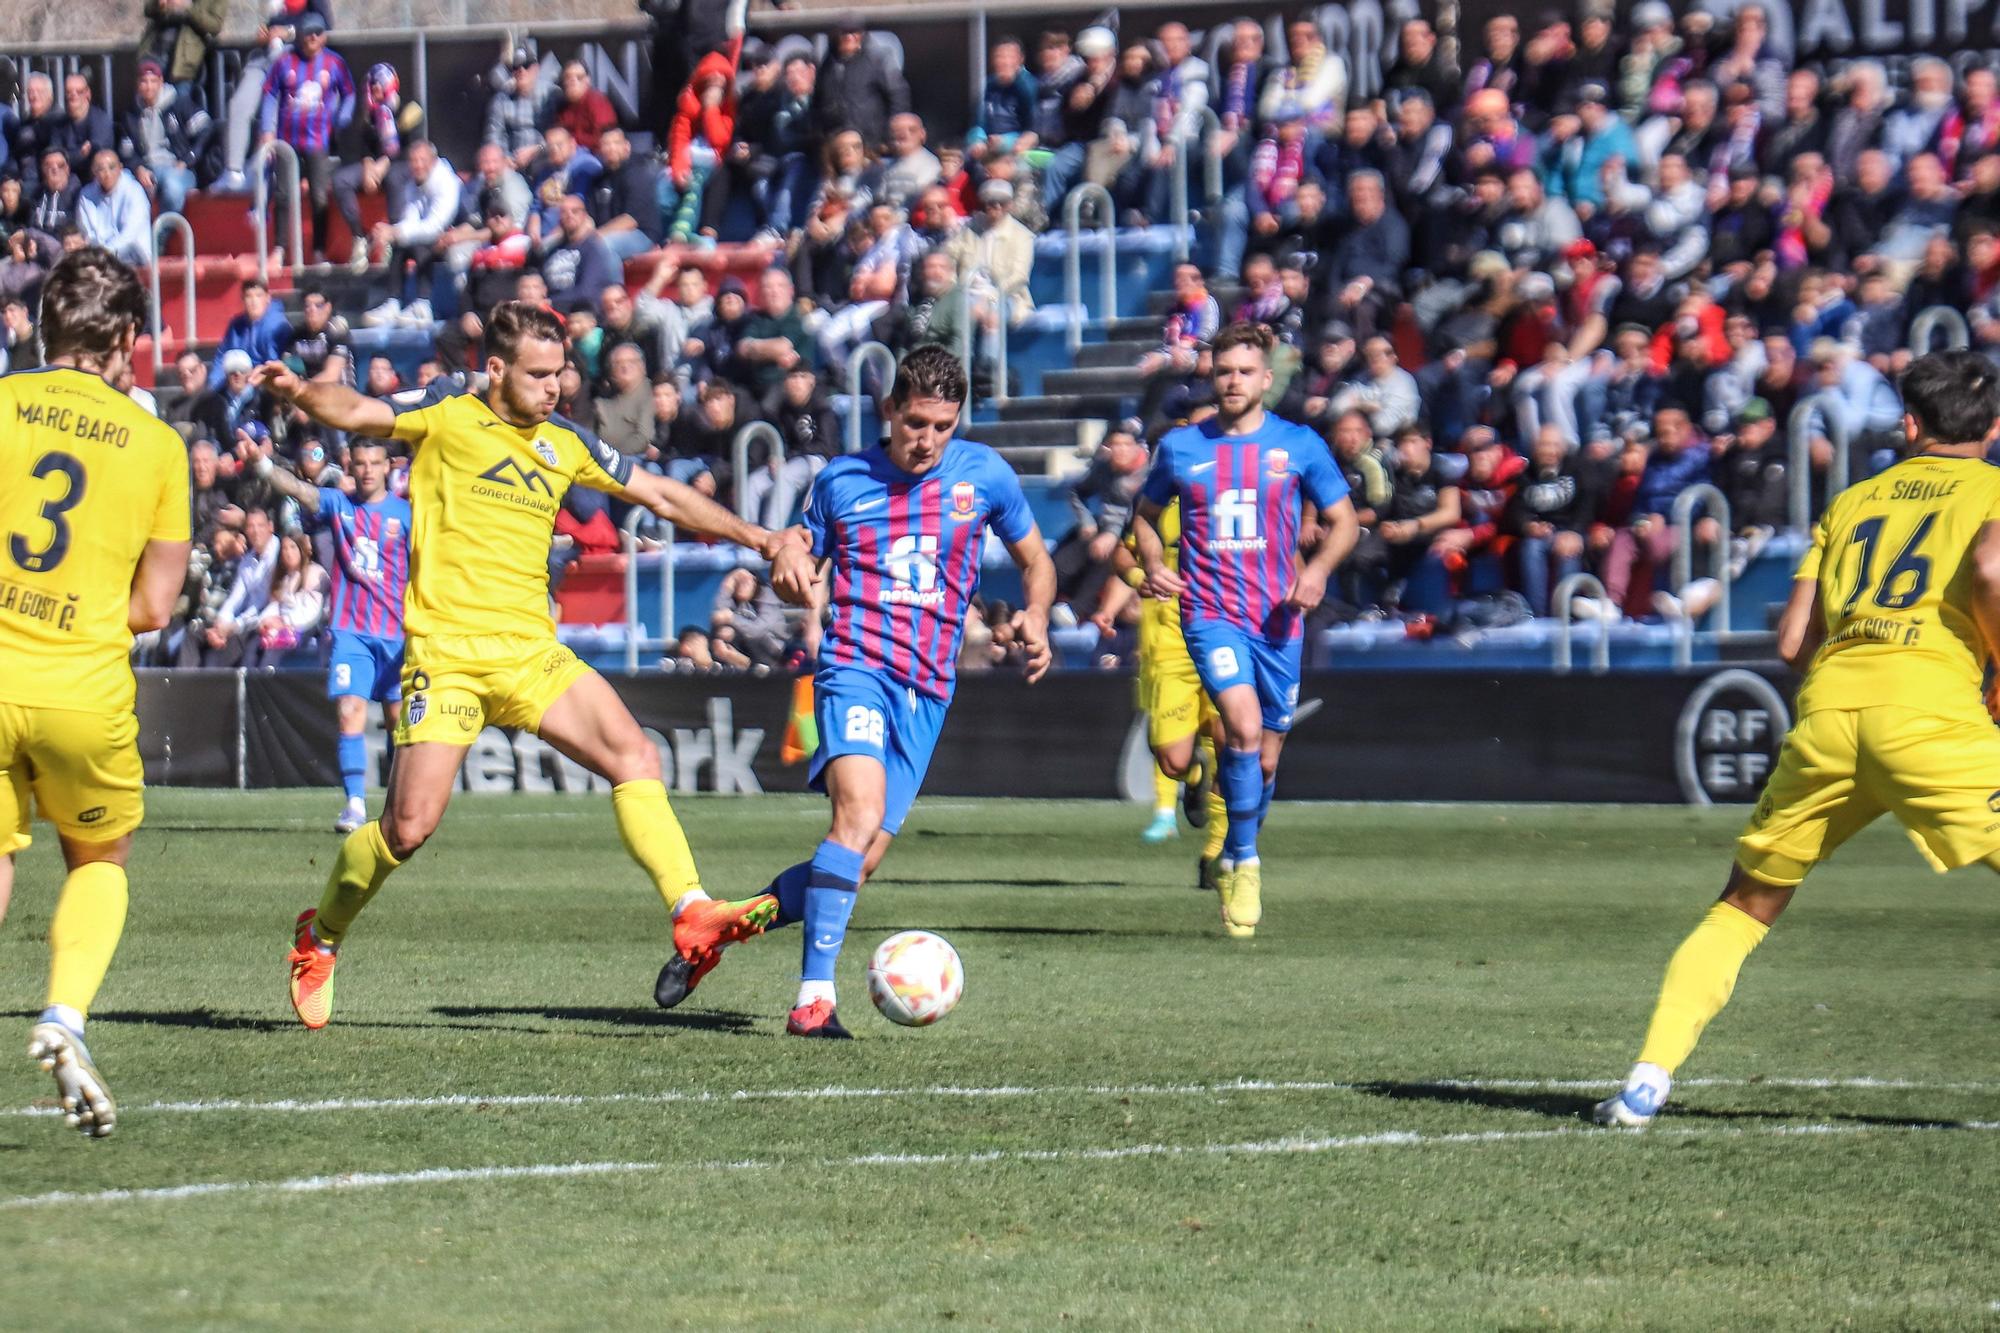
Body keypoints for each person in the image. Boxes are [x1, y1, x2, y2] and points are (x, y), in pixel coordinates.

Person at [252, 301, 817, 1030]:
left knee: (634, 753)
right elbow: (357, 411)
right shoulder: (446, 408)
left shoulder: (565, 441)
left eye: (561, 375)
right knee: (407, 828)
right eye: (540, 375)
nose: (556, 388)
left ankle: (691, 911)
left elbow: (658, 492)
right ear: (496, 369)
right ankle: (320, 935)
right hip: (447, 659)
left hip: (530, 654)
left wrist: (760, 535)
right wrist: (300, 394)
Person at [1596, 352, 2000, 1128]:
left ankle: (1645, 1082)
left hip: (1829, 713)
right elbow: (1988, 567)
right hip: (1929, 715)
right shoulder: (1994, 492)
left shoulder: (1852, 501)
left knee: (1744, 904)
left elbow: (1790, 641)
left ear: (1910, 425)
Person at [662, 346, 1055, 1037]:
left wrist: (1039, 615)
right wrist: (790, 568)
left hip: (928, 691)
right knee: (857, 816)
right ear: (889, 411)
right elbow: (797, 555)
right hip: (855, 670)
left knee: (859, 859)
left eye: (942, 425)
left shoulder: (984, 474)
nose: (928, 439)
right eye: (916, 424)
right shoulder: (842, 480)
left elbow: (1036, 560)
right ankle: (814, 1001)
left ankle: (720, 926)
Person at [0, 247, 192, 1137]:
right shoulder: (156, 444)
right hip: (83, 686)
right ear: (124, 339)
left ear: (42, 328)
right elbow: (154, 605)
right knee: (98, 861)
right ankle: (64, 1015)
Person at [1132, 322, 1359, 938]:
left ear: (1265, 379)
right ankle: (1249, 864)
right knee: (1242, 724)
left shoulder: (1300, 445)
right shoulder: (1182, 447)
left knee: (1263, 758)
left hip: (1279, 620)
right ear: (1213, 375)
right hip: (1211, 615)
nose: (1232, 380)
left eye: (1244, 371)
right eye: (1223, 370)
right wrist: (1154, 564)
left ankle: (1235, 844)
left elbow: (1343, 521)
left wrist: (1316, 573)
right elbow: (1145, 517)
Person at [241, 432, 410, 833]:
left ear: (388, 467)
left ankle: (402, 806)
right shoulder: (338, 504)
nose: (367, 471)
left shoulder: (407, 516)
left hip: (398, 636)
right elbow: (300, 489)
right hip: (351, 631)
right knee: (349, 711)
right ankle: (354, 804)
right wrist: (263, 465)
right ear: (349, 466)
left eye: (375, 463)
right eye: (360, 464)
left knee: (399, 726)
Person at [258, 11, 355, 267]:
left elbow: (349, 93)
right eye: (307, 34)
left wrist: (340, 121)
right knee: (283, 194)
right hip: (287, 140)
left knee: (320, 196)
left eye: (317, 34)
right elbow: (269, 94)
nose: (312, 39)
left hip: (317, 140)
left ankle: (320, 250)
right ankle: (279, 249)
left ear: (323, 37)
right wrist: (267, 129)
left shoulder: (334, 63)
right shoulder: (284, 62)